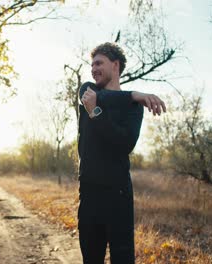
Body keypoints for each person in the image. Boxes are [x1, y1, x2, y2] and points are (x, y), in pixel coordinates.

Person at [77, 42, 166, 263]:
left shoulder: (133, 108)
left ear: (115, 65)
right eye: (92, 64)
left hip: (118, 196)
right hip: (89, 195)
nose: (93, 68)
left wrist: (96, 113)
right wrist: (134, 94)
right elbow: (97, 99)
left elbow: (124, 144)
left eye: (99, 63)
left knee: (123, 259)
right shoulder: (88, 90)